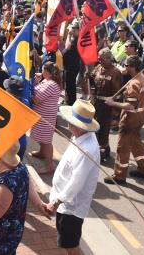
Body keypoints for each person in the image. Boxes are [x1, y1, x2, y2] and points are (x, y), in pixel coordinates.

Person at [43, 99, 100, 255]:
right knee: (67, 241)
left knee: (70, 245)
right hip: (65, 202)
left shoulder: (87, 149)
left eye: (70, 122)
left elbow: (76, 182)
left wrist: (56, 202)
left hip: (71, 206)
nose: (67, 125)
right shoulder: (81, 137)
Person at [104, 55, 144, 184]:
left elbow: (130, 105)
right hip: (140, 117)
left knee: (122, 147)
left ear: (133, 67)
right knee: (136, 143)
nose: (124, 68)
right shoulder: (142, 78)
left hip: (130, 118)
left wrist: (112, 103)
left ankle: (119, 175)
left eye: (126, 65)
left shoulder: (134, 83)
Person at [90, 48, 123, 163]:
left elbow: (118, 95)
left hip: (108, 106)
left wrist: (116, 114)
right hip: (96, 104)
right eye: (99, 59)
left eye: (102, 59)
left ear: (109, 59)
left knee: (103, 129)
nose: (100, 62)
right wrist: (89, 78)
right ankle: (104, 149)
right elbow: (93, 80)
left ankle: (102, 151)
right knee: (95, 126)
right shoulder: (98, 68)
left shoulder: (116, 73)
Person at [29, 62, 62, 174]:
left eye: (43, 70)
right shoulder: (47, 81)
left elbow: (36, 99)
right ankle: (42, 153)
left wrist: (28, 94)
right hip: (42, 114)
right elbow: (37, 90)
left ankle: (49, 166)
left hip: (46, 116)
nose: (41, 72)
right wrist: (37, 81)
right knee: (42, 138)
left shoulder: (51, 84)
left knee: (46, 141)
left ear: (48, 72)